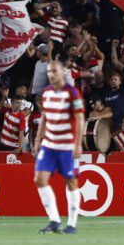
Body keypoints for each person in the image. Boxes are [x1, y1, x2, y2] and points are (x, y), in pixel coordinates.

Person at [34, 57, 85, 235]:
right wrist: (37, 140)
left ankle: (72, 224)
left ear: (63, 72)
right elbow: (45, 117)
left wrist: (77, 145)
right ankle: (54, 220)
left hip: (66, 146)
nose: (51, 74)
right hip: (49, 145)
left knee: (70, 181)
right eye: (49, 72)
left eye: (54, 71)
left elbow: (80, 119)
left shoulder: (72, 93)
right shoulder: (46, 93)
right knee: (39, 179)